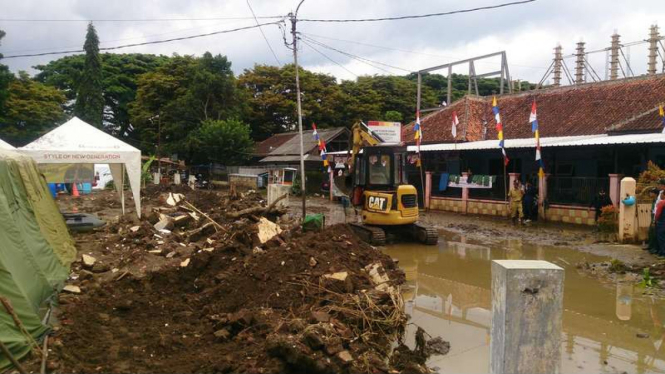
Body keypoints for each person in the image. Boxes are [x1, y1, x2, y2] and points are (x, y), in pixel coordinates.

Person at [647, 187, 659, 253]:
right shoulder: (654, 200)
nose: (650, 193)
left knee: (654, 234)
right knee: (650, 232)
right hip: (652, 218)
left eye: (651, 192)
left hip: (656, 219)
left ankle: (654, 248)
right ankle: (650, 246)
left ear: (655, 194)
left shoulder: (658, 200)